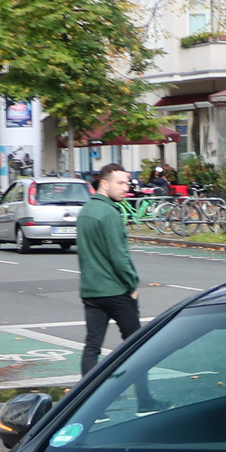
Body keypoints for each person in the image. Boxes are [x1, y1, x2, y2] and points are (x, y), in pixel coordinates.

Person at [75, 161, 140, 376]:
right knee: (136, 346)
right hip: (116, 291)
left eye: (127, 183)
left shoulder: (86, 211)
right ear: (104, 183)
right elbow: (119, 256)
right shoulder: (109, 213)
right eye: (120, 183)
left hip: (91, 291)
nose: (125, 188)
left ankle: (84, 400)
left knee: (92, 347)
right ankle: (145, 399)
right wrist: (132, 284)